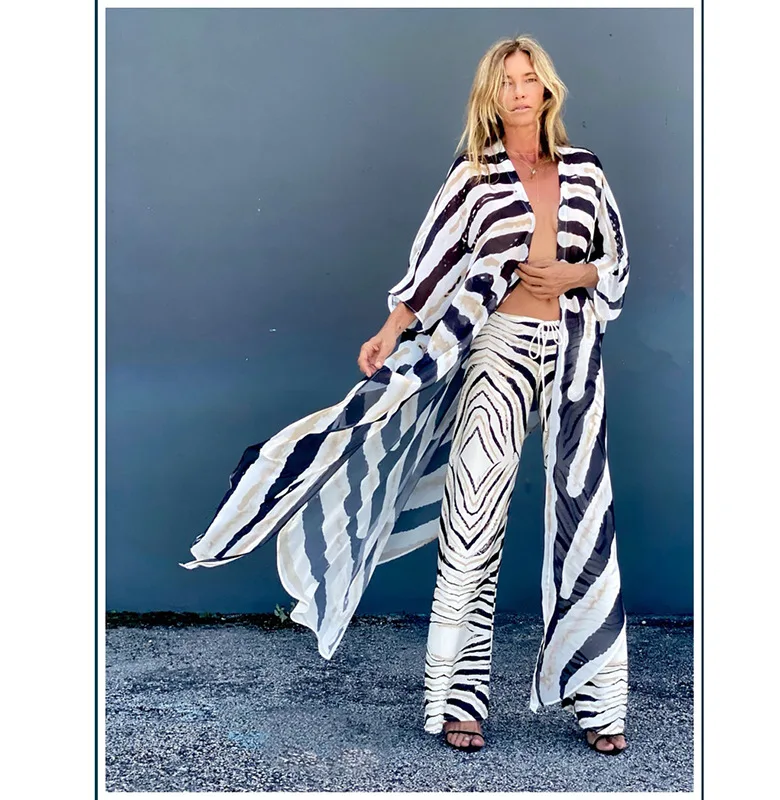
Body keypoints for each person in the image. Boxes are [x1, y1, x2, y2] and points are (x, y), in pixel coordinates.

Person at [181, 35, 629, 758]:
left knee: (587, 520)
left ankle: (600, 702)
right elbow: (433, 262)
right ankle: (457, 701)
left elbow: (615, 260)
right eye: (506, 82)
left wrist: (578, 277)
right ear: (491, 96)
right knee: (471, 521)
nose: (519, 91)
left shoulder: (585, 170)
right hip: (499, 348)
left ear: (547, 87)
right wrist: (392, 328)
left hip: (576, 351)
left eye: (529, 79)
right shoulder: (474, 175)